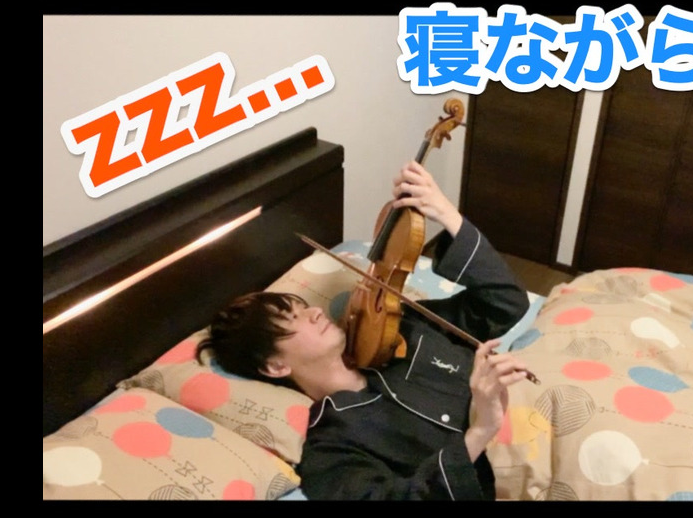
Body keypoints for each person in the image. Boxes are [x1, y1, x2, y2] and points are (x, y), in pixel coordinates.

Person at [197, 160, 532, 500]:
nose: (315, 312)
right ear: (275, 366)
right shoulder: (331, 444)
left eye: (303, 306)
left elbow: (506, 303)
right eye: (292, 319)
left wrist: (445, 213)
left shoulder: (401, 329)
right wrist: (481, 430)